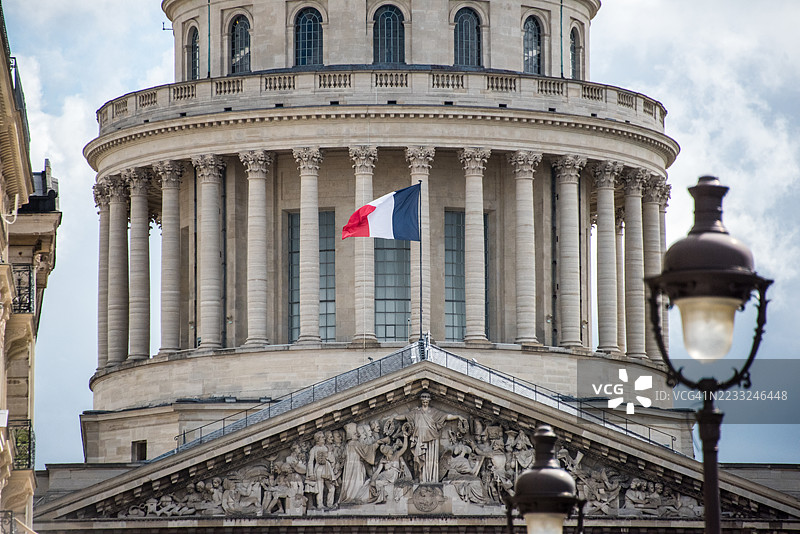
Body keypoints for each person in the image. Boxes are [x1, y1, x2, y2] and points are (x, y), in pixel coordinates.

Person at [394, 392, 466, 483]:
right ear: (421, 401)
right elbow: (405, 416)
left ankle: (431, 479)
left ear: (429, 401)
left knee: (431, 460)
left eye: (426, 401)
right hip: (420, 439)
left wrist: (458, 416)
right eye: (423, 401)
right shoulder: (416, 412)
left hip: (432, 440)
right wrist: (393, 418)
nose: (425, 403)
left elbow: (446, 416)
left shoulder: (434, 412)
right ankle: (421, 478)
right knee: (419, 459)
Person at [340, 422, 389, 504]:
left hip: (349, 469)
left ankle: (349, 496)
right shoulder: (355, 443)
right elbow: (367, 451)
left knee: (351, 483)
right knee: (357, 483)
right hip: (357, 467)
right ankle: (355, 497)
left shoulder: (347, 445)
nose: (358, 435)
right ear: (351, 435)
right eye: (355, 433)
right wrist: (379, 442)